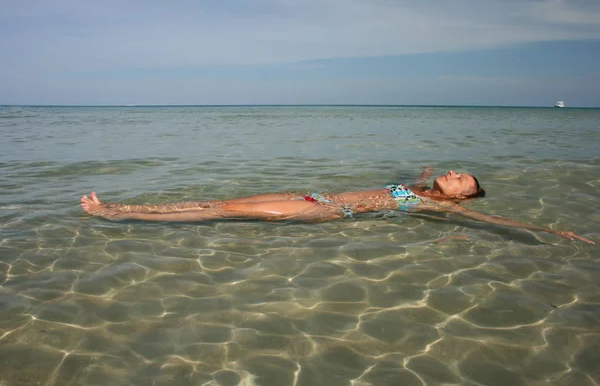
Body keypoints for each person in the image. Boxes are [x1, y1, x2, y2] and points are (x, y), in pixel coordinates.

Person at [80, 168, 594, 244]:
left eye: (465, 179)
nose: (457, 174)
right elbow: (425, 169)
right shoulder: (416, 187)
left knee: (228, 208)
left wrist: (555, 233)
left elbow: (492, 219)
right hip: (313, 195)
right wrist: (430, 171)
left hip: (323, 212)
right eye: (458, 171)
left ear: (463, 196)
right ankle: (121, 209)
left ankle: (114, 213)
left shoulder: (446, 209)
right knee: (222, 200)